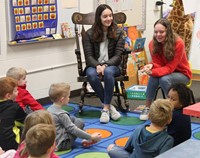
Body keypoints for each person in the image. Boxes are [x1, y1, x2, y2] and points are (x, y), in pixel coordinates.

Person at [139, 18, 192, 120]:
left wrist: (153, 70)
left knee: (163, 79)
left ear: (168, 32)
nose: (158, 34)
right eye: (156, 32)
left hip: (182, 74)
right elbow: (158, 64)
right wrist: (152, 65)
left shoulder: (178, 43)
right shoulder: (152, 44)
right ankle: (147, 107)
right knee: (155, 78)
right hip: (166, 72)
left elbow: (170, 68)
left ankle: (170, 108)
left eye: (161, 32)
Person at [83, 4, 125, 123]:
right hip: (94, 64)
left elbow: (118, 56)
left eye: (110, 16)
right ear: (99, 18)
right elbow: (88, 56)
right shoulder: (90, 33)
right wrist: (97, 66)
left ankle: (105, 109)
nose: (109, 19)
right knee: (91, 75)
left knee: (108, 72)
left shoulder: (118, 32)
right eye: (105, 16)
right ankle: (109, 106)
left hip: (113, 66)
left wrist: (105, 65)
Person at [107, 99, 174, 158]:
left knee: (111, 147)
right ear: (169, 120)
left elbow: (127, 148)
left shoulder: (139, 129)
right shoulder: (168, 140)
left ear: (148, 115)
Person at [47, 82, 102, 151]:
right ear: (62, 99)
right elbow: (72, 129)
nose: (69, 99)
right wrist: (91, 137)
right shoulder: (61, 114)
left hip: (52, 143)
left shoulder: (49, 109)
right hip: (63, 144)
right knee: (79, 122)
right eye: (68, 97)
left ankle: (86, 136)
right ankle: (88, 138)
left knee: (72, 118)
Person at [0, 77, 27, 151]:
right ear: (8, 96)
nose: (18, 92)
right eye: (15, 91)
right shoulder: (14, 107)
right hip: (13, 145)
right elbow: (26, 121)